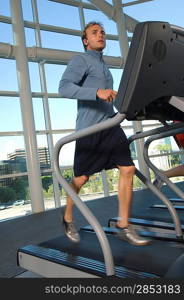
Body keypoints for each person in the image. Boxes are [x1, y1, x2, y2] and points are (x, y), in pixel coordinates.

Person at [58, 21, 150, 246]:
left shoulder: (104, 66)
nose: (100, 35)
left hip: (110, 126)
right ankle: (67, 217)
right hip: (90, 130)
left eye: (102, 33)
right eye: (94, 33)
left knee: (128, 169)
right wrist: (96, 92)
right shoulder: (80, 60)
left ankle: (123, 226)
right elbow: (64, 87)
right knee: (81, 178)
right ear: (85, 40)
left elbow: (106, 97)